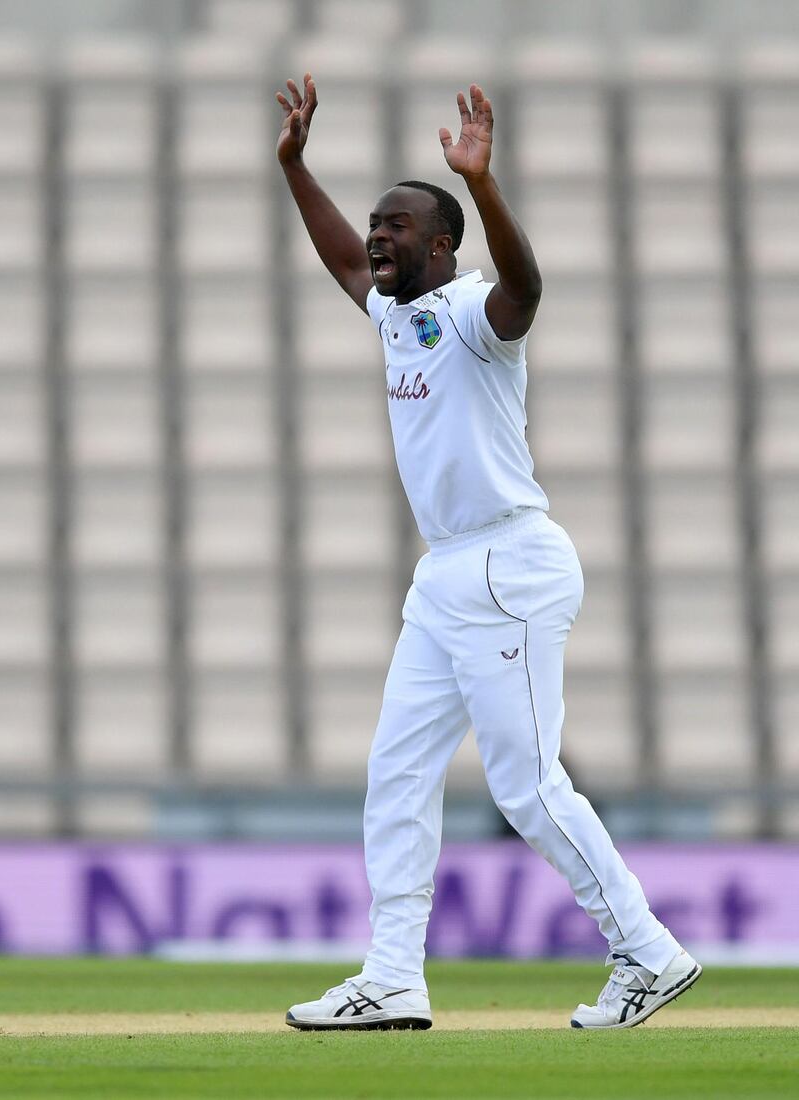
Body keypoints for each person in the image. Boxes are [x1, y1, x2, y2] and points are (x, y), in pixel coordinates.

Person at [275, 73, 701, 1031]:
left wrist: (483, 182)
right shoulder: (393, 312)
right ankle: (392, 977)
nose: (377, 236)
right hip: (446, 574)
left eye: (397, 225)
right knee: (398, 772)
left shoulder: (474, 315)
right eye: (375, 223)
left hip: (510, 564)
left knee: (526, 784)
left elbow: (529, 287)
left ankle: (646, 950)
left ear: (442, 244)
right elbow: (344, 263)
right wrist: (296, 168)